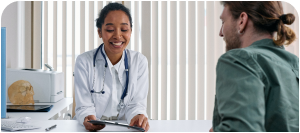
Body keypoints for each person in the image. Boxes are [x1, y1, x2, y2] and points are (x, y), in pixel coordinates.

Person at [211, 1, 299, 132]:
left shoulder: (238, 60)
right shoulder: (294, 63)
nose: (221, 33)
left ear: (242, 20)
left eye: (223, 22)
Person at [74, 3, 150, 132]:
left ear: (130, 31)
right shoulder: (84, 61)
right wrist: (88, 118)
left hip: (125, 128)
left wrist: (138, 116)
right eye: (110, 30)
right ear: (100, 32)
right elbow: (84, 106)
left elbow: (137, 104)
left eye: (124, 30)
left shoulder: (139, 61)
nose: (117, 36)